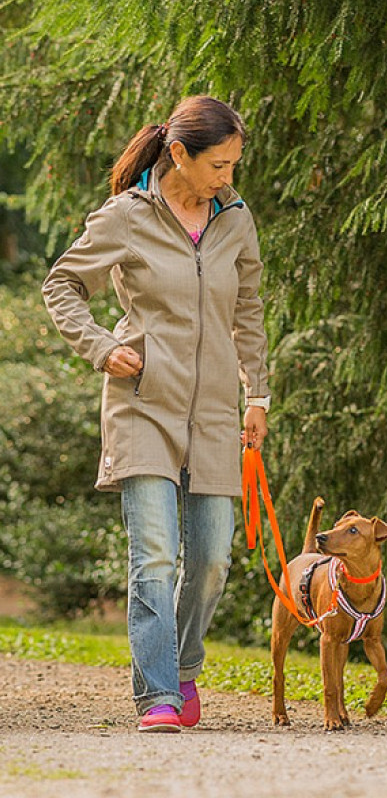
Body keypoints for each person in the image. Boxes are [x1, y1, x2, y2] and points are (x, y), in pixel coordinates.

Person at [41, 95, 270, 733]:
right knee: (156, 555)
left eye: (234, 164)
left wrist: (258, 395)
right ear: (178, 155)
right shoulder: (126, 217)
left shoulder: (236, 219)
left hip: (218, 412)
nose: (228, 177)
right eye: (218, 165)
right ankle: (160, 697)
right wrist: (102, 347)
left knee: (213, 559)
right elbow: (62, 283)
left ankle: (183, 666)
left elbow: (247, 310)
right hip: (143, 406)